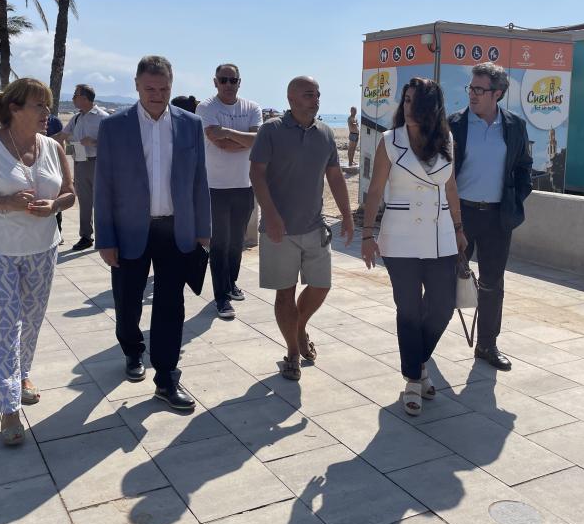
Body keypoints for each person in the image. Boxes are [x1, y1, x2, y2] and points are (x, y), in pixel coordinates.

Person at [0, 78, 75, 445]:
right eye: (39, 106)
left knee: (33, 320)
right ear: (15, 108)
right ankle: (9, 408)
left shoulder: (53, 147)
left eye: (48, 105)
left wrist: (54, 206)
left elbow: (70, 194)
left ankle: (22, 374)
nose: (47, 113)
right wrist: (6, 203)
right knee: (5, 326)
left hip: (44, 249)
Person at [95, 55, 211, 411]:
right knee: (127, 302)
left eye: (164, 89)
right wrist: (105, 239)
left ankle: (166, 377)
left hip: (175, 230)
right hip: (129, 231)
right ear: (136, 85)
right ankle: (132, 350)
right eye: (150, 88)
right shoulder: (114, 127)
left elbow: (199, 180)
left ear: (171, 86)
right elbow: (104, 186)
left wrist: (203, 230)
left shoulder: (191, 124)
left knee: (170, 305)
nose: (157, 95)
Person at [360, 78, 466, 415]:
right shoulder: (390, 141)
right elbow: (375, 190)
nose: (408, 107)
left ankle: (418, 364)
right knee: (408, 310)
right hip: (400, 238)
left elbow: (451, 189)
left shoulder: (447, 139)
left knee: (442, 307)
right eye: (405, 100)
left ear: (431, 107)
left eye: (415, 102)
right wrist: (367, 235)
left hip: (440, 236)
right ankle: (413, 378)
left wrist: (459, 229)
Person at [250, 76, 354, 381]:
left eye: (318, 94)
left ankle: (299, 326)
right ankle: (293, 352)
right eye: (309, 94)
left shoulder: (325, 133)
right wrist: (270, 215)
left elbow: (335, 176)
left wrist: (347, 216)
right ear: (291, 98)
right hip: (278, 230)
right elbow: (256, 174)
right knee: (285, 294)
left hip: (314, 226)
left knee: (321, 286)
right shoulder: (271, 130)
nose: (316, 99)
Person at [449, 62, 532, 371]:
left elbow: (523, 167)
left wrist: (514, 200)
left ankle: (487, 345)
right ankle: (426, 339)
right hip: (460, 214)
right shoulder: (454, 124)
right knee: (444, 279)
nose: (472, 94)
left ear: (497, 93)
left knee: (492, 283)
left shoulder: (514, 126)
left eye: (479, 89)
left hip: (497, 217)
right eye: (470, 88)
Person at [196, 64, 262, 320]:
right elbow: (220, 143)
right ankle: (221, 297)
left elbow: (256, 140)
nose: (228, 84)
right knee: (219, 244)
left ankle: (231, 283)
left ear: (239, 82)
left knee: (237, 242)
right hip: (215, 187)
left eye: (232, 80)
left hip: (244, 185)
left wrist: (227, 132)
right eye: (223, 80)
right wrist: (242, 139)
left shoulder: (252, 107)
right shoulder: (206, 107)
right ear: (215, 82)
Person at [53, 84, 108, 251]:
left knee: (101, 202)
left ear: (84, 98)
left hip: (98, 163)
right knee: (84, 201)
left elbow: (115, 142)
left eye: (74, 96)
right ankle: (86, 236)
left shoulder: (103, 117)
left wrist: (94, 142)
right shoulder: (76, 118)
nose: (72, 99)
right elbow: (61, 136)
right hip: (80, 163)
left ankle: (106, 236)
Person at [46, 113, 65, 244]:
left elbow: (61, 143)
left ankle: (58, 232)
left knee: (56, 197)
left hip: (53, 165)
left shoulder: (55, 121)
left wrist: (61, 164)